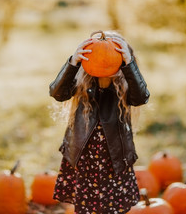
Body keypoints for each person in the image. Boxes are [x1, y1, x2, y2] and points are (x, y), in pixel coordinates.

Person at [49, 30, 150, 214]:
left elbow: (141, 97)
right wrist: (73, 63)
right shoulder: (82, 83)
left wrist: (129, 65)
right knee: (85, 208)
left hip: (114, 161)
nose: (104, 58)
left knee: (113, 208)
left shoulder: (125, 85)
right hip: (84, 161)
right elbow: (57, 93)